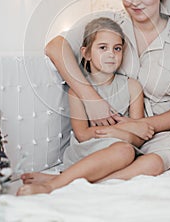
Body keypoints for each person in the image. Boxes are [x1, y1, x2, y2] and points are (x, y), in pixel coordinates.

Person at [19, 0, 170, 195]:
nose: (135, 2)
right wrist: (91, 98)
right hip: (123, 132)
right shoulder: (108, 24)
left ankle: (72, 184)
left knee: (167, 160)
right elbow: (55, 47)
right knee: (130, 154)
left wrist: (140, 123)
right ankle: (65, 182)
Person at [17, 17, 161, 195]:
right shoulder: (77, 91)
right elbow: (83, 134)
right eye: (103, 48)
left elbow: (140, 136)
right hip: (89, 152)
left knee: (155, 162)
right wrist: (119, 131)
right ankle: (51, 186)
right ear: (86, 53)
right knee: (124, 151)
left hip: (122, 148)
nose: (111, 54)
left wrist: (117, 133)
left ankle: (67, 179)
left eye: (117, 49)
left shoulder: (132, 87)